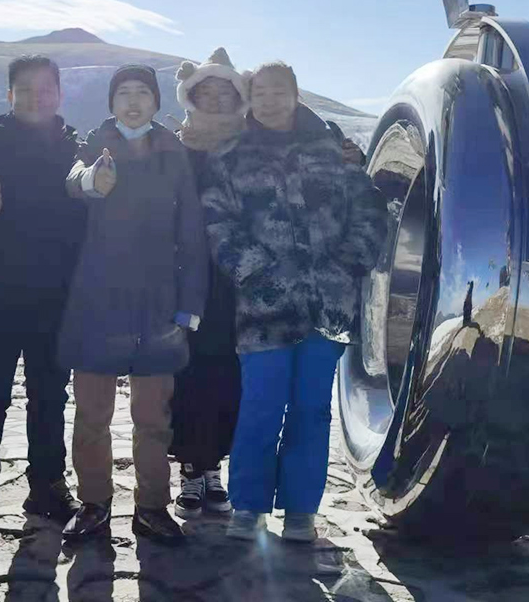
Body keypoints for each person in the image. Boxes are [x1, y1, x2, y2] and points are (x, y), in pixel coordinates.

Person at [201, 61, 388, 543]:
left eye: (278, 91)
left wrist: (347, 265)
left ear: (296, 93)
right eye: (260, 92)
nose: (269, 100)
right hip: (263, 309)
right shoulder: (230, 156)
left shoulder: (334, 150)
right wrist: (255, 271)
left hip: (327, 307)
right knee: (260, 405)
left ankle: (301, 511)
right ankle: (249, 508)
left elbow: (369, 209)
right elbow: (218, 223)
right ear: (250, 98)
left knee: (312, 410)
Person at [59, 64, 209, 545]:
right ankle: (94, 503)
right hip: (98, 299)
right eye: (123, 92)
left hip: (157, 302)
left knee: (152, 416)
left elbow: (191, 231)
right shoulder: (94, 146)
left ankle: (152, 507)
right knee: (91, 413)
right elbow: (74, 180)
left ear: (156, 102)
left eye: (142, 92)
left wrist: (190, 303)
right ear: (111, 102)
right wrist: (91, 181)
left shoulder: (173, 153)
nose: (132, 101)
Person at [0, 55, 86, 551]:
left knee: (50, 399)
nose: (35, 97)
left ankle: (47, 487)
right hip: (0, 295)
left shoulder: (75, 148)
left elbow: (91, 200)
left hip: (55, 298)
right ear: (10, 95)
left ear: (59, 94)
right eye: (25, 89)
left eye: (45, 89)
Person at [165, 48, 248, 519]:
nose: (216, 100)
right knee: (188, 371)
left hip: (237, 278)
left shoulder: (251, 146)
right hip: (186, 277)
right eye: (207, 92)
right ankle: (190, 469)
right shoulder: (176, 147)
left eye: (225, 92)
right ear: (191, 97)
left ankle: (214, 466)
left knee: (228, 373)